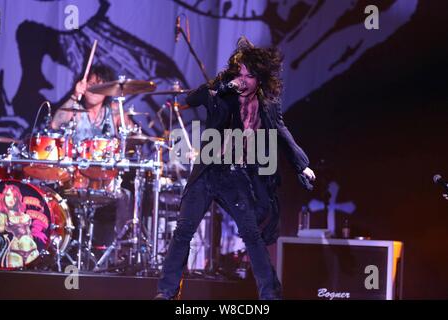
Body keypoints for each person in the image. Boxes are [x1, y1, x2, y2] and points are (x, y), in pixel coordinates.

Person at [155, 37, 316, 300]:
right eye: (239, 74)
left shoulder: (268, 102)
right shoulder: (223, 92)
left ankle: (270, 296)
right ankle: (166, 292)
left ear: (260, 79)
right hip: (208, 170)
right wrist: (219, 87)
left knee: (252, 234)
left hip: (236, 174)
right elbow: (193, 98)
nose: (242, 80)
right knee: (184, 230)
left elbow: (280, 130)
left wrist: (302, 165)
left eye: (249, 76)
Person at [51, 65, 133, 246]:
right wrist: (74, 96)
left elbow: (133, 137)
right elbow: (55, 125)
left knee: (126, 196)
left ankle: (118, 249)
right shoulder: (76, 110)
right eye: (92, 83)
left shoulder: (113, 112)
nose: (95, 88)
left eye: (101, 85)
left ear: (108, 90)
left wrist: (124, 116)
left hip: (107, 179)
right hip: (77, 178)